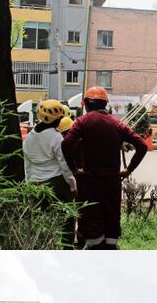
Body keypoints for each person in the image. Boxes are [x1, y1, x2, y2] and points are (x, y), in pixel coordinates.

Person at [61, 87, 148, 250]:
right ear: (106, 104)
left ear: (86, 103)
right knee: (112, 215)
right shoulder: (118, 124)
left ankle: (95, 250)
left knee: (92, 215)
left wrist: (74, 169)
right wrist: (129, 170)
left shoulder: (82, 121)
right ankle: (110, 249)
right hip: (112, 181)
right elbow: (141, 145)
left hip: (89, 181)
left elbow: (66, 144)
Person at [23, 99, 78, 247]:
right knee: (67, 217)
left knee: (42, 218)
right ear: (56, 119)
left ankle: (42, 245)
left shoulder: (29, 137)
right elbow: (64, 166)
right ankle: (67, 246)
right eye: (60, 118)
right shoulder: (56, 137)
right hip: (57, 183)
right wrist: (73, 186)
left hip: (35, 185)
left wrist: (29, 183)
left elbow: (27, 164)